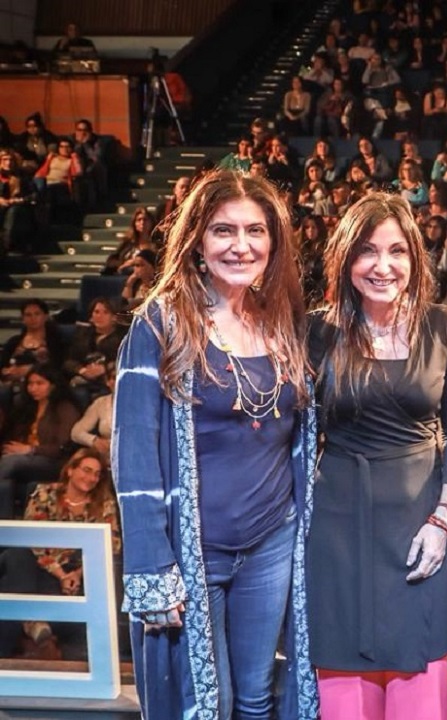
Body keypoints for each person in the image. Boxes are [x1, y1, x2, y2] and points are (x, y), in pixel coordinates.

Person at [112, 170, 317, 719]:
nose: (240, 245)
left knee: (256, 696)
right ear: (197, 240)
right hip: (194, 549)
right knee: (208, 701)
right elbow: (134, 457)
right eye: (224, 230)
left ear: (273, 242)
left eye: (255, 231)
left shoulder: (283, 321)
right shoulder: (161, 324)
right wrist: (152, 563)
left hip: (272, 540)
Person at [306, 192, 447, 719]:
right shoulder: (315, 330)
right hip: (336, 526)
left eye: (397, 251)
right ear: (346, 259)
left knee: (418, 682)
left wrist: (443, 518)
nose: (383, 266)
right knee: (341, 685)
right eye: (368, 251)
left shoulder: (445, 325)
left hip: (421, 523)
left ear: (415, 258)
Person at [0, 448, 119, 657]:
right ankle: (30, 626)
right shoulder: (45, 493)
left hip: (80, 572)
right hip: (44, 568)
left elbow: (112, 543)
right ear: (71, 470)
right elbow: (32, 537)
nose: (91, 478)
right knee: (16, 557)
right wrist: (60, 574)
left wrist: (77, 574)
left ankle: (40, 634)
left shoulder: (104, 503)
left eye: (97, 474)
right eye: (86, 470)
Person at [0, 364, 80, 519]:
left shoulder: (65, 408)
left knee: (11, 462)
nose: (33, 388)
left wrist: (30, 450)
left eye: (39, 383)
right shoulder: (25, 407)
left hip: (54, 461)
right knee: (5, 480)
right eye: (30, 384)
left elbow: (63, 447)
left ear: (53, 385)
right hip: (25, 461)